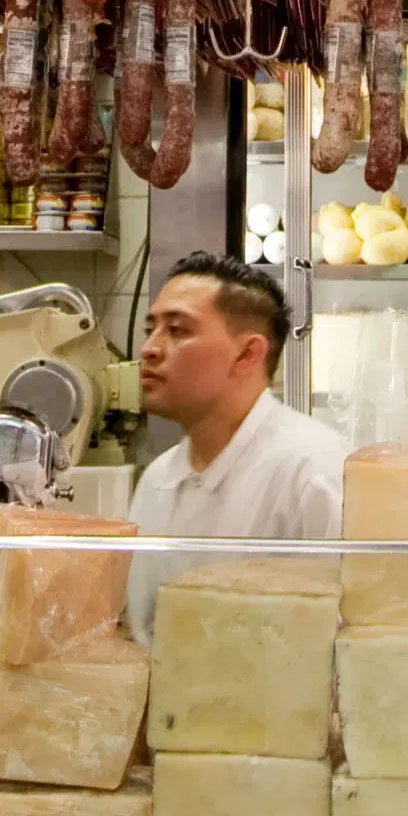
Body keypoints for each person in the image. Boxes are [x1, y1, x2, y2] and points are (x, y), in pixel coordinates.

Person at [126, 252, 346, 628]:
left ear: (247, 353)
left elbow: (344, 648)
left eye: (177, 330)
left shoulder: (315, 474)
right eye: (151, 330)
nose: (149, 349)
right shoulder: (158, 479)